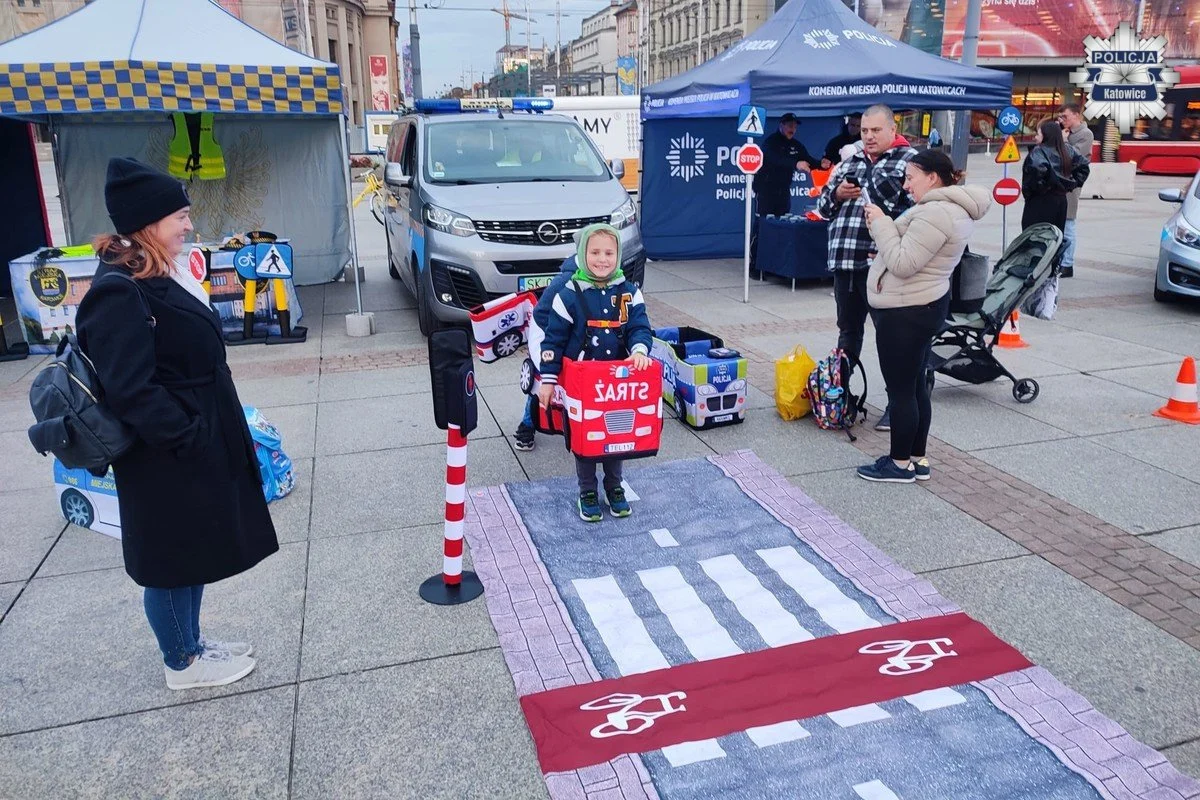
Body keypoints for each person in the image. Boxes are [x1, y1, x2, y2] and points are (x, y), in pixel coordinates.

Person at [75, 158, 280, 691]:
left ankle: (192, 642)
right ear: (149, 221)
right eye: (180, 216)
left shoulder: (151, 271)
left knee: (192, 550)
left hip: (191, 439)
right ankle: (182, 664)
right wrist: (186, 436)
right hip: (164, 454)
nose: (189, 225)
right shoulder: (118, 291)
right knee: (169, 561)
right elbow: (131, 388)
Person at [857, 150, 991, 483]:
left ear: (932, 177)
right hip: (922, 305)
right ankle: (916, 457)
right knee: (916, 384)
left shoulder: (937, 213)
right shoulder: (949, 210)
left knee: (901, 390)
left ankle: (899, 464)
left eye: (911, 177)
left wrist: (882, 225)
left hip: (906, 311)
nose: (906, 185)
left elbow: (903, 263)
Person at [536, 223, 652, 522]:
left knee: (617, 432)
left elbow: (640, 326)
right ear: (582, 254)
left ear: (619, 255)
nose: (602, 259)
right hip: (581, 384)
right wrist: (547, 380)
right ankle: (587, 490)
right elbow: (553, 340)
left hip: (618, 383)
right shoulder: (568, 294)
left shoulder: (629, 292)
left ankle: (614, 486)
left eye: (609, 253)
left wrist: (639, 349)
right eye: (595, 252)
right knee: (585, 436)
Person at [816, 104, 918, 432]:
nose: (869, 137)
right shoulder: (851, 160)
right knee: (848, 333)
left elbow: (919, 211)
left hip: (882, 266)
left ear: (892, 129)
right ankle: (838, 396)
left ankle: (898, 403)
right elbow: (822, 207)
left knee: (892, 338)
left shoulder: (910, 162)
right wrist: (837, 194)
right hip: (846, 264)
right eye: (864, 131)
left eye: (876, 130)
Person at [513, 252, 578, 452]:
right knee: (542, 380)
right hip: (548, 332)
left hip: (578, 336)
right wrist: (544, 350)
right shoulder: (565, 281)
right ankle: (527, 425)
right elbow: (541, 314)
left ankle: (578, 427)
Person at [751, 113, 817, 271]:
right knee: (763, 227)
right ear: (781, 125)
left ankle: (775, 265)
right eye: (789, 125)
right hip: (766, 190)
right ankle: (754, 266)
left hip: (783, 192)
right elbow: (776, 160)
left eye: (794, 126)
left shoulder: (796, 145)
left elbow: (808, 160)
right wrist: (796, 164)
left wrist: (822, 163)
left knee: (781, 227)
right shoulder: (770, 143)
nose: (792, 129)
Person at [1021, 119, 1089, 235]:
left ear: (1046, 136)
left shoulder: (1038, 152)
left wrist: (1038, 191)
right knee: (1055, 237)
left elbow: (1033, 179)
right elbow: (1083, 167)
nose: (1035, 137)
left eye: (1038, 134)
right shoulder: (1067, 149)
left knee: (1034, 237)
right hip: (1060, 201)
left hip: (1039, 201)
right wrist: (1070, 184)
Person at [1056, 104, 1094, 278]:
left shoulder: (1085, 135)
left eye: (1065, 116)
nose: (1062, 120)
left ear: (1076, 115)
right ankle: (1059, 260)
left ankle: (1067, 264)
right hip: (1058, 181)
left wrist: (1062, 141)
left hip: (1072, 183)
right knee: (1059, 223)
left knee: (1069, 223)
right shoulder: (1063, 131)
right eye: (1061, 117)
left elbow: (1073, 155)